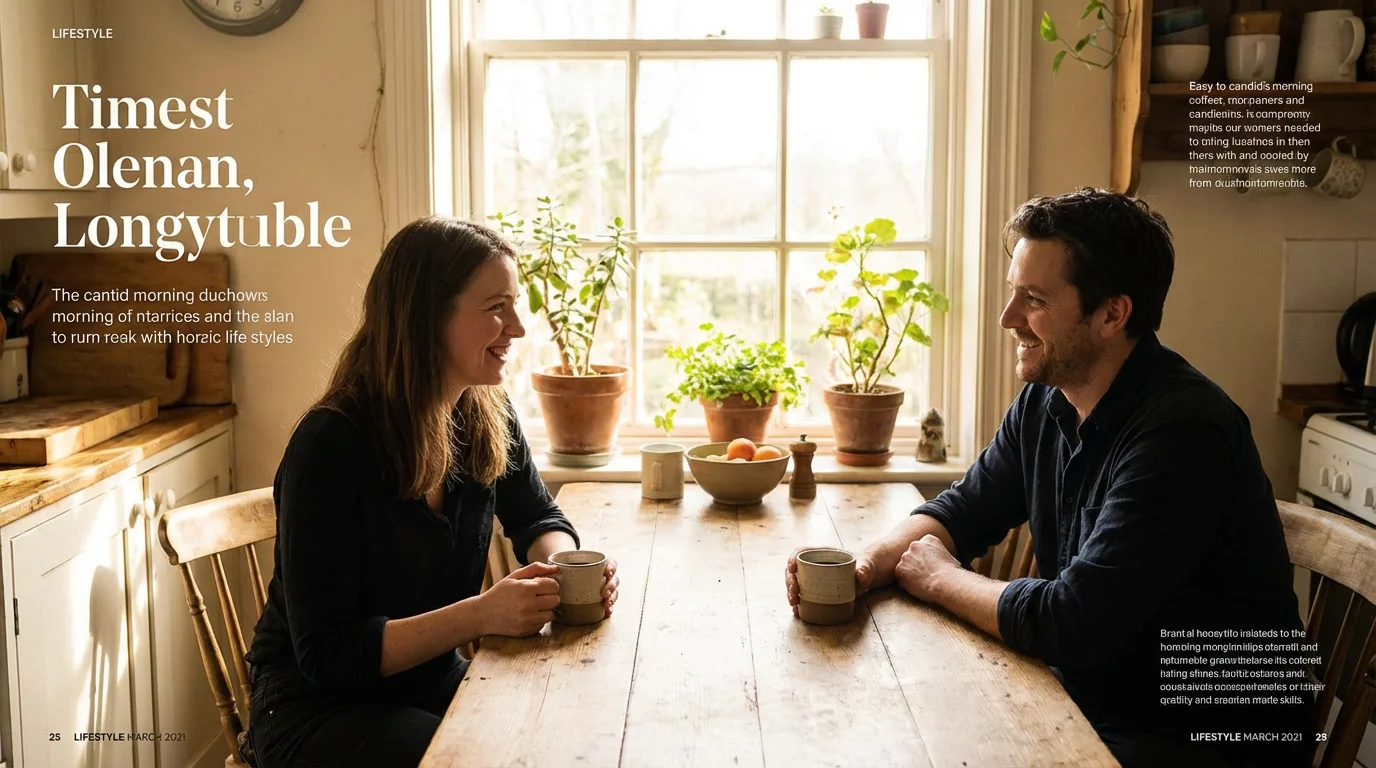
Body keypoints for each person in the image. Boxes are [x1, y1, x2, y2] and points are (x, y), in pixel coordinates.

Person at [785, 188, 1315, 768]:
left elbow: (1073, 621)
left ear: (1113, 313)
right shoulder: (1047, 401)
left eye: (1034, 299)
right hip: (1096, 701)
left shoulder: (1183, 434)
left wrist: (936, 579)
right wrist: (864, 567)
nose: (1009, 319)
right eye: (1015, 293)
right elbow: (962, 511)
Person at [243, 217, 619, 767]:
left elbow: (536, 514)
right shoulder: (332, 444)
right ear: (426, 317)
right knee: (479, 758)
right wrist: (482, 614)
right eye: (496, 307)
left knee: (553, 731)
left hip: (426, 687)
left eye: (514, 304)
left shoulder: (485, 410)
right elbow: (329, 655)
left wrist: (564, 570)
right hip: (316, 711)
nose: (517, 326)